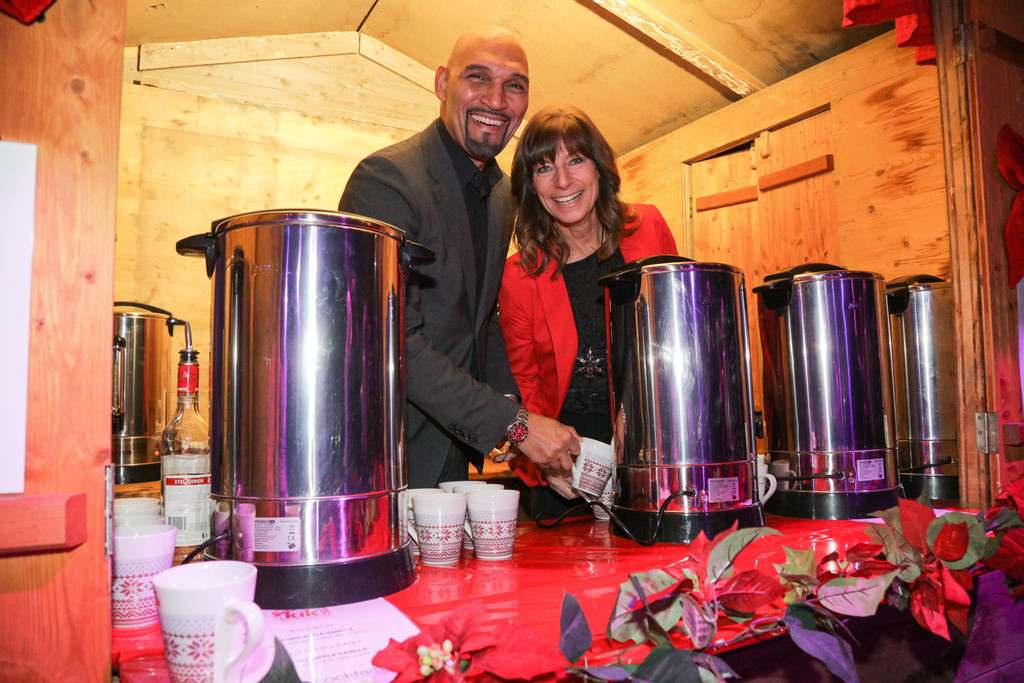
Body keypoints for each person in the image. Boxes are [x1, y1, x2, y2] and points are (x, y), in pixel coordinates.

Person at [339, 27, 581, 489]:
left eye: (514, 85)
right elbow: (390, 338)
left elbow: (479, 321)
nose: (497, 100)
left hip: (453, 452)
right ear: (441, 83)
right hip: (384, 454)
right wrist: (516, 426)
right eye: (478, 77)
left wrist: (515, 421)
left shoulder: (503, 193)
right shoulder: (386, 179)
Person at [498, 105, 679, 513]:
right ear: (531, 186)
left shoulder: (648, 228)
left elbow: (677, 335)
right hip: (565, 470)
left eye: (576, 160)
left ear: (599, 167)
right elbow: (524, 381)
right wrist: (546, 462)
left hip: (654, 454)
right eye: (544, 168)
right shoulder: (518, 276)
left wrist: (638, 413)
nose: (563, 181)